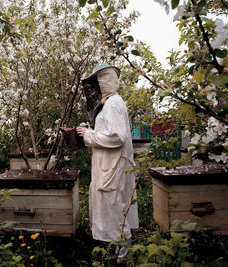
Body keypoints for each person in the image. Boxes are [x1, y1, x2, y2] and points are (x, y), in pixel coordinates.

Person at [76, 64, 139, 260]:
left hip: (112, 165)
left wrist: (88, 134)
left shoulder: (113, 103)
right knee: (114, 203)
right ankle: (119, 247)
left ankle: (123, 253)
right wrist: (89, 129)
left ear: (104, 80)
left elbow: (116, 137)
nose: (95, 88)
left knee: (114, 204)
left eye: (97, 82)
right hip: (109, 164)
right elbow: (108, 129)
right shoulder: (111, 102)